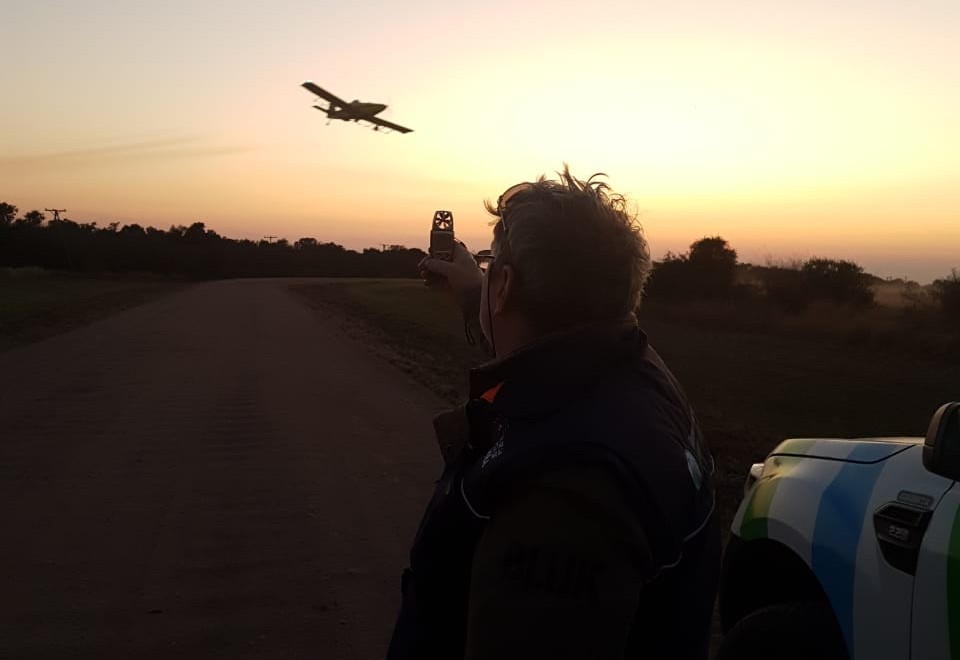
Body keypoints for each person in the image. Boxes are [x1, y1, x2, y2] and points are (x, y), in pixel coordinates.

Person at [386, 167, 720, 660]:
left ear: (504, 287)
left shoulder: (566, 491)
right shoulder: (633, 368)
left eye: (492, 268)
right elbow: (538, 345)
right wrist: (474, 292)